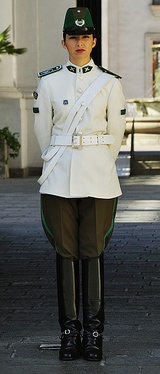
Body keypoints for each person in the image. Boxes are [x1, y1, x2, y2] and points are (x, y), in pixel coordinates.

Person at [33, 7, 126, 361]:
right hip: (59, 175)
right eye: (73, 37)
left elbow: (115, 135)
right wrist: (60, 158)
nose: (80, 43)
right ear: (64, 42)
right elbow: (44, 135)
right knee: (65, 252)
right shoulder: (49, 82)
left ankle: (94, 333)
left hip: (98, 174)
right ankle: (70, 332)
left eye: (85, 37)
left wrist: (99, 160)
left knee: (93, 251)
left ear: (93, 41)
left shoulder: (109, 83)